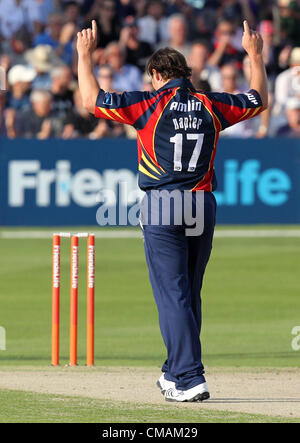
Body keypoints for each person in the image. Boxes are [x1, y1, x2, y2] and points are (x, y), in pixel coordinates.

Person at [77, 19, 268, 402]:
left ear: (156, 74)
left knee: (173, 294)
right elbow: (258, 99)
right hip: (201, 203)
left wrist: (84, 55)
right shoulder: (210, 103)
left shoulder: (149, 102)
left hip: (163, 203)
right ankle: (173, 369)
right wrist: (255, 55)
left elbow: (89, 101)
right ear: (185, 73)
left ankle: (189, 376)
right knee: (188, 292)